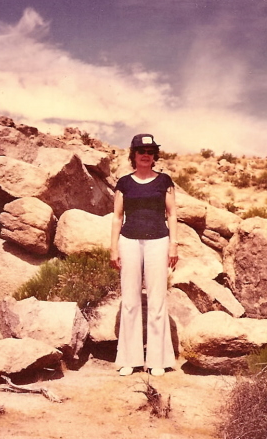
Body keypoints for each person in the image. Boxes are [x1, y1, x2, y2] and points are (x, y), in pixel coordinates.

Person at [110, 133, 178, 377]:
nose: (146, 155)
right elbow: (118, 217)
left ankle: (157, 360)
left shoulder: (164, 181)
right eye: (141, 151)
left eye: (150, 151)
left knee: (157, 300)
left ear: (154, 155)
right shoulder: (124, 184)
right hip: (129, 241)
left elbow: (171, 215)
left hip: (159, 241)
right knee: (129, 300)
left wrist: (173, 244)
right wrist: (113, 247)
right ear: (134, 155)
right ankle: (130, 359)